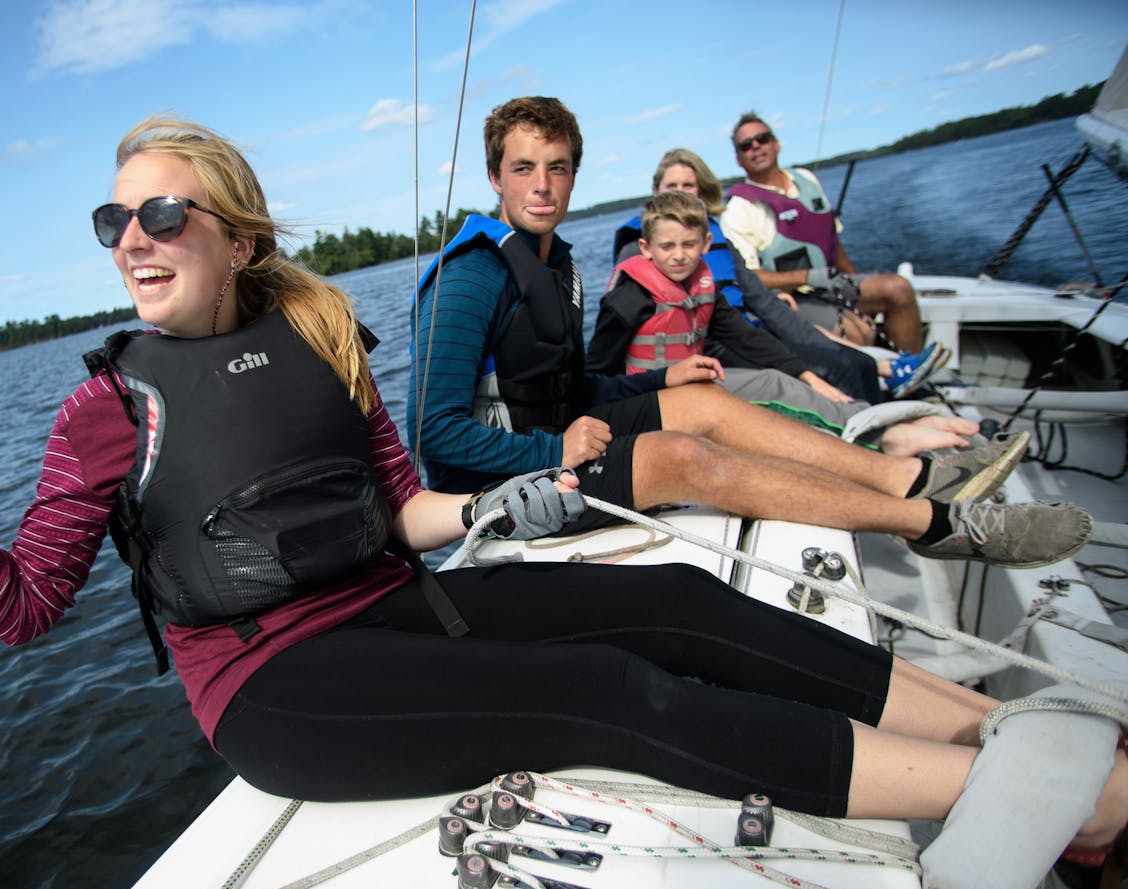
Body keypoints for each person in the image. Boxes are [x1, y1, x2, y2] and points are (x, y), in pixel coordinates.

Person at [0, 116, 1128, 889]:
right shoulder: (103, 410)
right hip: (273, 686)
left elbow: (400, 511)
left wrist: (488, 506)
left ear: (232, 234)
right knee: (605, 695)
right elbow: (22, 609)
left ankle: (1011, 727)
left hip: (402, 596)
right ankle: (1056, 805)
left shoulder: (316, 330)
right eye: (112, 216)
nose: (133, 234)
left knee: (671, 598)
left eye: (162, 210)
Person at [407, 95, 1087, 564]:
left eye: (557, 168)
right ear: (495, 175)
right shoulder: (470, 276)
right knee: (682, 455)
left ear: (575, 174)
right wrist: (550, 450)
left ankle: (907, 477)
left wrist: (657, 377)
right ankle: (939, 526)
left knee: (705, 400)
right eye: (524, 168)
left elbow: (561, 384)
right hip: (499, 485)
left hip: (561, 436)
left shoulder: (558, 266)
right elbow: (431, 434)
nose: (542, 185)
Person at [589, 189, 973, 447]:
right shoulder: (628, 299)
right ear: (645, 248)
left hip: (692, 387)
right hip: (651, 400)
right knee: (772, 394)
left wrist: (807, 375)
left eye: (689, 244)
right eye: (667, 246)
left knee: (780, 378)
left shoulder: (701, 285)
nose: (679, 255)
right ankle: (888, 437)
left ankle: (882, 425)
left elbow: (747, 337)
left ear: (706, 244)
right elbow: (596, 371)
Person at [623, 147, 943, 402]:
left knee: (850, 360)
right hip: (711, 347)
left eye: (688, 186)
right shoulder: (646, 250)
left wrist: (808, 336)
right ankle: (869, 444)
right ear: (656, 192)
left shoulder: (719, 240)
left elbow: (762, 301)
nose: (682, 193)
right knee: (840, 368)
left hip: (746, 331)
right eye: (672, 187)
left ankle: (884, 420)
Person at [722, 112, 928, 355]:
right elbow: (750, 276)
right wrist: (807, 277)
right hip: (794, 298)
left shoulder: (807, 180)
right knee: (858, 332)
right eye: (746, 146)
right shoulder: (738, 209)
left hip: (832, 283)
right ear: (738, 159)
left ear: (776, 144)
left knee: (898, 288)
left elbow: (832, 241)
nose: (756, 147)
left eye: (762, 139)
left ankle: (913, 367)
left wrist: (855, 284)